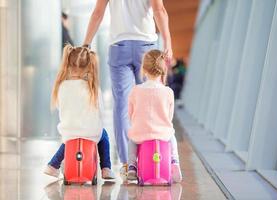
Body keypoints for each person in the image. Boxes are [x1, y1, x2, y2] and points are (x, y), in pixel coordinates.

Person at [83, 0, 173, 178]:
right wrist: (167, 42)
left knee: (122, 106)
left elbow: (97, 13)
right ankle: (155, 156)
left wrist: (86, 43)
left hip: (119, 47)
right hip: (146, 47)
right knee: (153, 99)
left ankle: (127, 164)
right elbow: (159, 10)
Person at [44, 44, 115, 179]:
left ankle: (53, 165)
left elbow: (61, 107)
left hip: (69, 132)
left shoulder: (61, 86)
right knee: (104, 135)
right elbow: (101, 111)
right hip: (91, 133)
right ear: (89, 65)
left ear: (68, 64)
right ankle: (106, 168)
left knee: (68, 139)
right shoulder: (92, 87)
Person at [127, 50, 182, 182]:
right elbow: (169, 116)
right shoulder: (168, 92)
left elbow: (131, 114)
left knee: (132, 140)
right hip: (162, 134)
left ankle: (132, 166)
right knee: (172, 136)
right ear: (163, 70)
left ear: (144, 69)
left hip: (141, 133)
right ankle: (174, 162)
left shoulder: (135, 90)